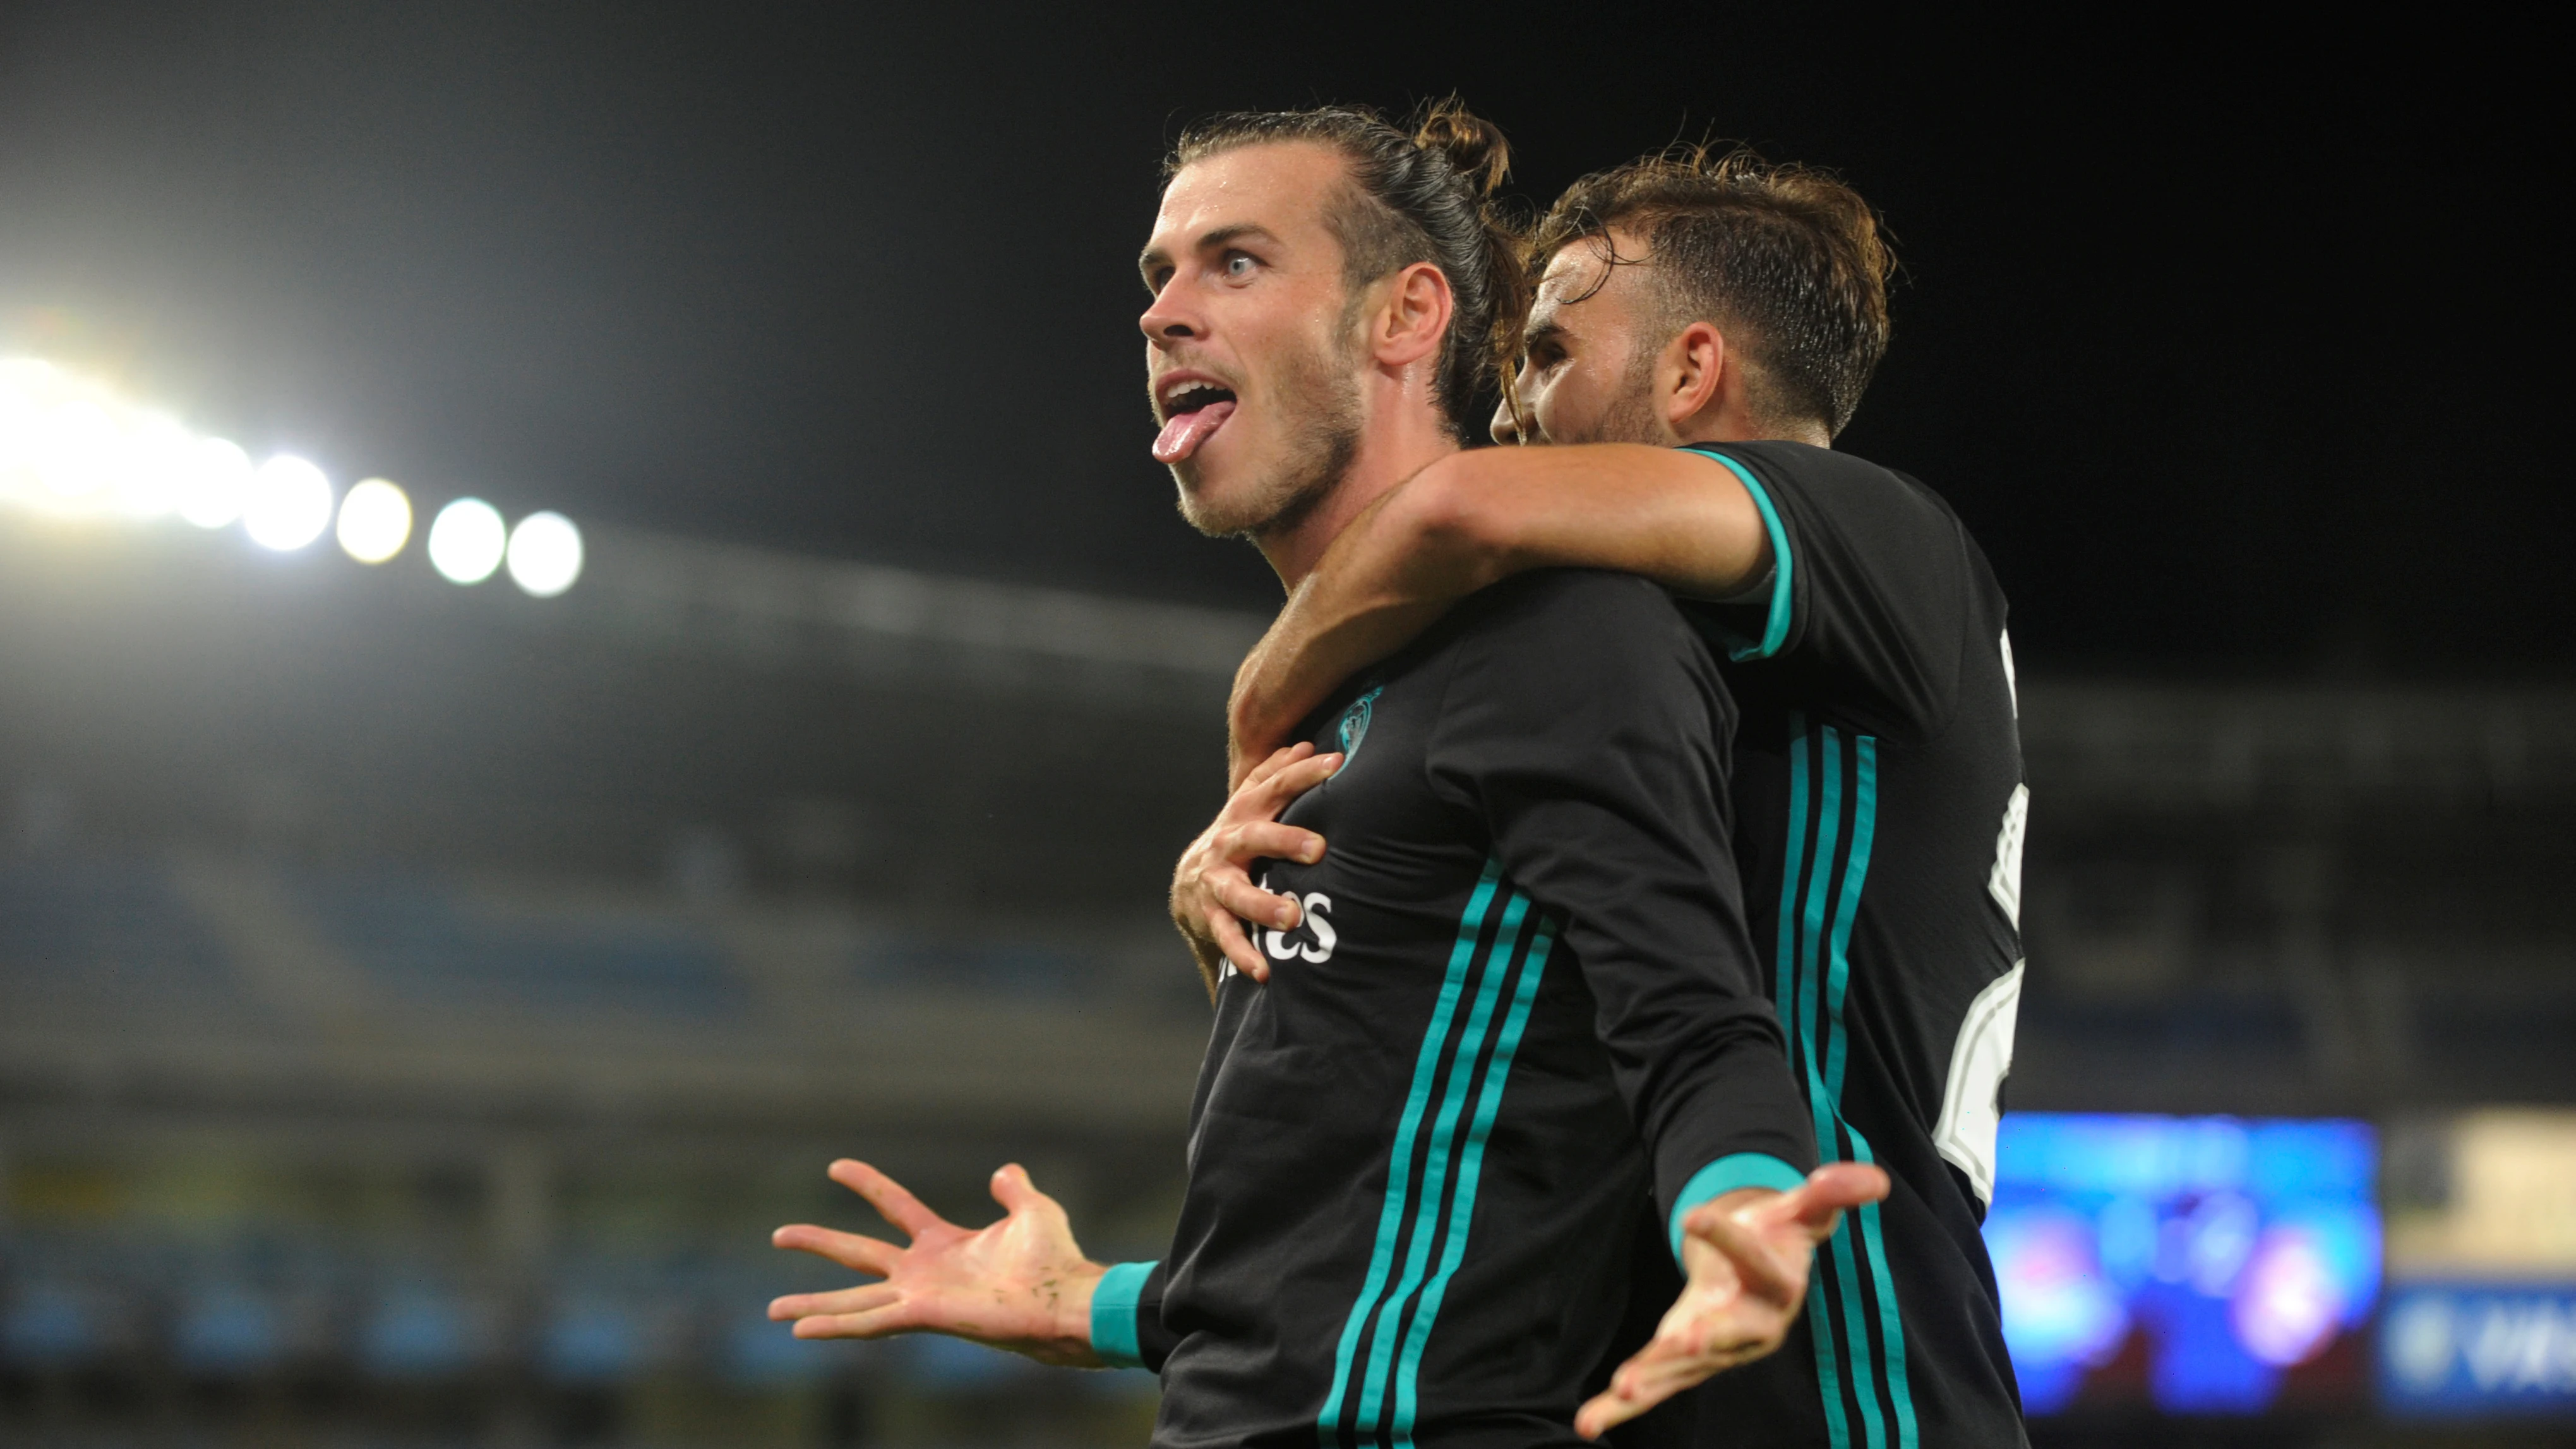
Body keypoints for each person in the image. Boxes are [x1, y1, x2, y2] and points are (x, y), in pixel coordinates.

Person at [770, 105, 1887, 1446]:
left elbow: (1693, 1018)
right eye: (1159, 274)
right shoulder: (1341, 702)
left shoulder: (1561, 633)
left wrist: (1739, 1212)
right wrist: (1091, 1301)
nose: (1162, 312)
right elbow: (1356, 1227)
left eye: (1232, 262)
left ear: (1405, 316)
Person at [1171, 149, 2030, 1448]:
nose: (1511, 407)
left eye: (1549, 354)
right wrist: (1120, 1302)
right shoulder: (1628, 670)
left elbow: (1457, 507)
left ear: (1691, 372)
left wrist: (1254, 713)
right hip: (1685, 1359)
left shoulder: (1886, 536)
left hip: (1857, 1384)